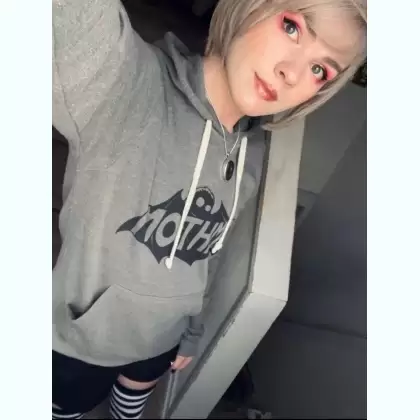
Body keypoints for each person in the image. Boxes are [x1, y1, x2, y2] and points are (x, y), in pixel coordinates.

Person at [52, 0, 366, 418]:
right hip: (81, 345)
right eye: (292, 27)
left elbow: (206, 254)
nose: (292, 74)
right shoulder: (127, 87)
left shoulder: (251, 155)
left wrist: (191, 330)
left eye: (319, 70)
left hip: (161, 342)